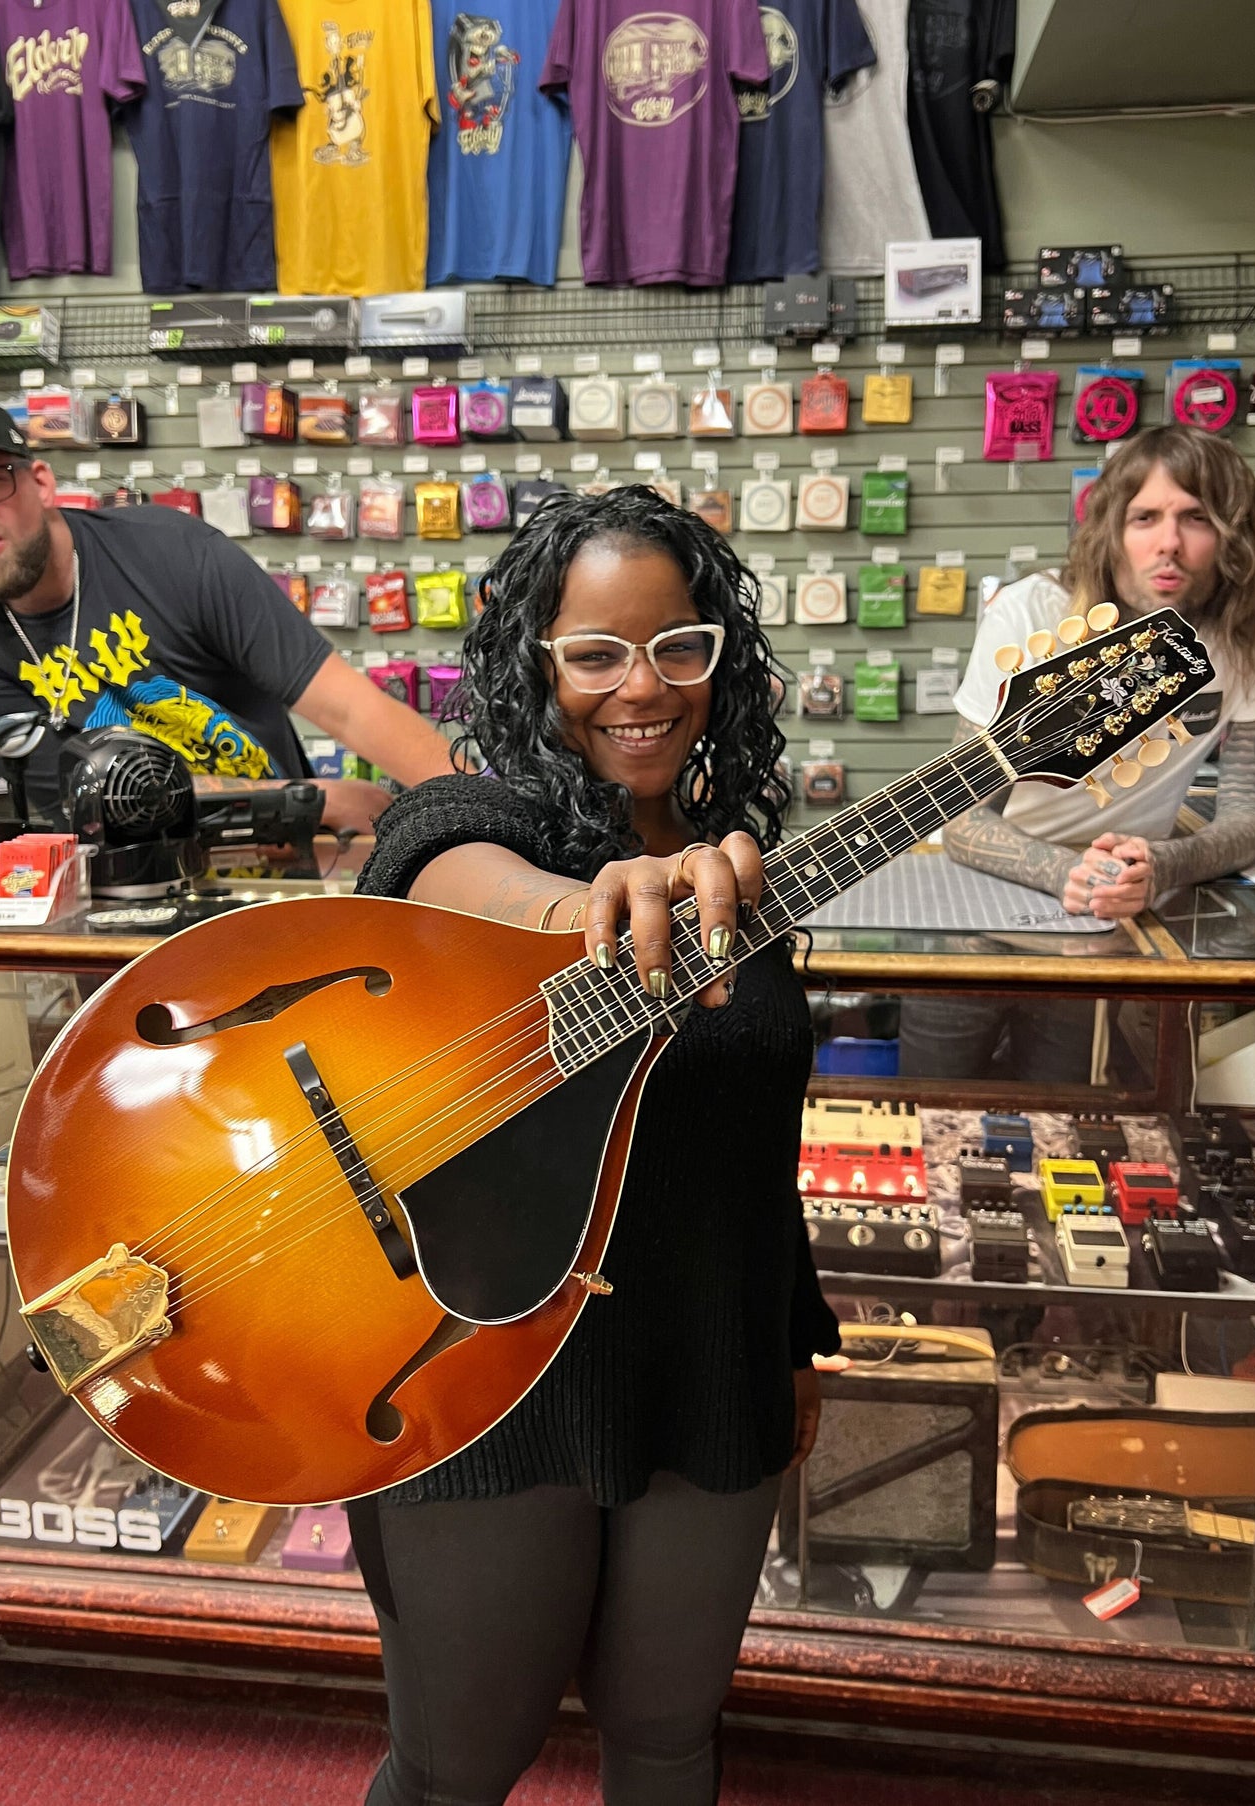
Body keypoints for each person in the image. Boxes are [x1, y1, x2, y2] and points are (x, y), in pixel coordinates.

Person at [346, 485, 841, 1806]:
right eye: (596, 652)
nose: (644, 685)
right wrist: (588, 904)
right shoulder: (478, 822)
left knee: (671, 1741)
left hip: (708, 1365)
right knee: (458, 1765)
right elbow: (444, 871)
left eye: (679, 646)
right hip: (493, 1382)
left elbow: (754, 1145)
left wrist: (795, 1336)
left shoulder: (743, 872)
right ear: (535, 662)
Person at [900, 423, 1255, 1080]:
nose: (1167, 543)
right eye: (1144, 517)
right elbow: (962, 821)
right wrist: (1068, 874)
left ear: (1233, 532)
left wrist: (1161, 867)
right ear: (1113, 526)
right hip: (981, 894)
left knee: (1064, 1115)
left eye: (1195, 518)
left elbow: (1246, 814)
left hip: (1112, 912)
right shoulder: (1032, 612)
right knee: (930, 1104)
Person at [0, 392, 452, 832]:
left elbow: (349, 708)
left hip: (287, 869)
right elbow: (87, 811)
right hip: (131, 887)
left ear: (43, 483)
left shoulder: (175, 554)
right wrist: (310, 802)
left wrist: (495, 816)